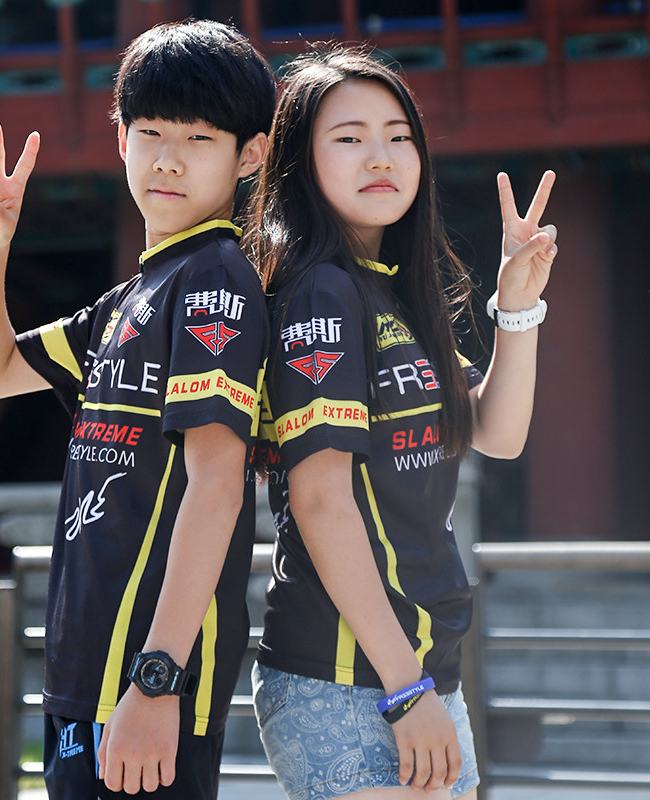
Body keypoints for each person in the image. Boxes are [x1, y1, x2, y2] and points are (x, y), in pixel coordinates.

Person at [0, 20, 275, 800]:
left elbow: (217, 483)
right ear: (121, 137)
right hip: (88, 673)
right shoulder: (130, 299)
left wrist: (158, 679)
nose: (167, 158)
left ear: (251, 155)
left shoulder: (214, 282)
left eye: (199, 138)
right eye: (150, 131)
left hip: (144, 683)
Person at [244, 47, 557, 800]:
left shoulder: (393, 290)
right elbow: (321, 500)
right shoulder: (319, 293)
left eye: (399, 136)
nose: (380, 156)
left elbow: (497, 433)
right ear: (300, 163)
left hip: (420, 673)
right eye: (349, 138)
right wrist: (405, 692)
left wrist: (517, 306)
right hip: (352, 679)